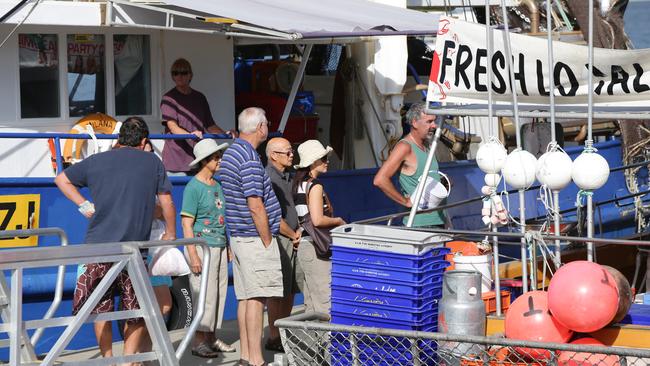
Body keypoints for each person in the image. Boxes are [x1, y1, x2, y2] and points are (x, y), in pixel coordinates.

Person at [54, 117, 175, 364]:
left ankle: (108, 359)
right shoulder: (152, 162)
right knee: (136, 310)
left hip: (97, 248)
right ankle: (129, 360)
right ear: (143, 141)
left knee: (100, 310)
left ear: (119, 139)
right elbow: (167, 202)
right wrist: (171, 234)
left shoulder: (97, 160)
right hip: (134, 251)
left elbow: (61, 179)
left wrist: (84, 205)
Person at [220, 107, 283, 366]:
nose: (267, 128)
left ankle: (246, 356)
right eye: (266, 123)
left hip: (239, 235)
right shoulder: (248, 157)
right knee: (257, 299)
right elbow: (255, 203)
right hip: (253, 237)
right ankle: (256, 360)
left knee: (246, 298)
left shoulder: (232, 151)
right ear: (260, 128)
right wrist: (267, 239)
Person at [181, 139, 235, 358]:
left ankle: (211, 338)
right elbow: (187, 223)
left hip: (219, 246)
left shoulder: (217, 184)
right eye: (215, 157)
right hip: (203, 248)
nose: (219, 160)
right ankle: (198, 341)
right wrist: (193, 254)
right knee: (204, 295)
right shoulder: (193, 187)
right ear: (204, 161)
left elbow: (221, 218)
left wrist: (227, 244)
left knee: (219, 294)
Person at [292, 140, 346, 315]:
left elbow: (304, 218)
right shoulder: (315, 186)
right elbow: (317, 220)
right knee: (325, 302)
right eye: (323, 159)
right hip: (317, 248)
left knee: (311, 303)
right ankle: (327, 342)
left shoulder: (299, 184)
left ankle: (314, 342)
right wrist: (338, 221)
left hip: (305, 247)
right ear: (313, 162)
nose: (327, 161)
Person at [373, 102, 446, 228]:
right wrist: (406, 202)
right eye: (429, 121)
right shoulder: (404, 147)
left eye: (434, 121)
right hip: (419, 225)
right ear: (414, 122)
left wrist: (442, 181)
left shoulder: (429, 146)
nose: (434, 125)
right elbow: (380, 180)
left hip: (439, 220)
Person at [160, 58, 234, 175]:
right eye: (175, 73)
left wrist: (226, 134)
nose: (180, 76)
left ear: (190, 75)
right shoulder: (169, 98)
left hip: (199, 156)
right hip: (176, 161)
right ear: (172, 76)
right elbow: (172, 127)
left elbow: (210, 125)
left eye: (184, 72)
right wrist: (190, 135)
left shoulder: (200, 97)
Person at [264, 137, 303, 352]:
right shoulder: (269, 178)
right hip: (282, 238)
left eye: (291, 151)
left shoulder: (287, 176)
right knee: (277, 291)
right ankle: (274, 336)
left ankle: (283, 333)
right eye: (287, 152)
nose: (291, 155)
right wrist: (293, 234)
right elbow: (272, 216)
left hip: (291, 236)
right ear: (273, 155)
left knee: (289, 289)